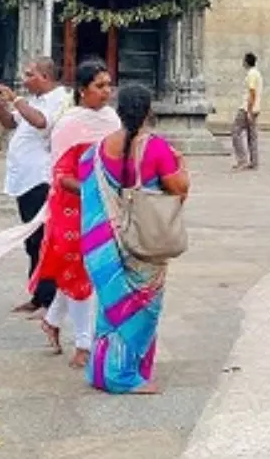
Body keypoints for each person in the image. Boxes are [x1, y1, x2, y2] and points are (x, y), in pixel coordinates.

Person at [83, 84, 190, 394]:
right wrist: (182, 166)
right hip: (145, 243)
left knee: (110, 307)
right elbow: (178, 190)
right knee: (141, 308)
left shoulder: (100, 149)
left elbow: (87, 191)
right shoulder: (156, 148)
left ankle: (102, 371)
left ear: (118, 111)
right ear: (149, 112)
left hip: (109, 246)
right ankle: (125, 376)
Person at [31, 60, 118, 361]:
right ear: (83, 91)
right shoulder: (69, 124)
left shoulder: (112, 120)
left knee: (86, 272)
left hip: (103, 206)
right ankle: (84, 345)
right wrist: (91, 190)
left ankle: (52, 321)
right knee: (78, 272)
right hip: (71, 208)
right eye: (99, 86)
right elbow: (59, 174)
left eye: (108, 85)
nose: (106, 92)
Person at [0, 57, 71, 314]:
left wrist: (15, 98)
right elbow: (11, 123)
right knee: (32, 240)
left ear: (45, 77)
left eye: (29, 75)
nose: (24, 80)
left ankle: (48, 298)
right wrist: (0, 105)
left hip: (41, 178)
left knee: (43, 239)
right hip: (24, 180)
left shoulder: (59, 99)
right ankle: (38, 293)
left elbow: (40, 122)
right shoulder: (33, 100)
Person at [232, 52, 263, 171]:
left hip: (246, 108)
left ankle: (242, 160)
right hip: (256, 108)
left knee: (235, 132)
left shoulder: (251, 74)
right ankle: (254, 162)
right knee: (252, 136)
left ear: (246, 62)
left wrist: (248, 110)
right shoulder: (257, 74)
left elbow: (252, 92)